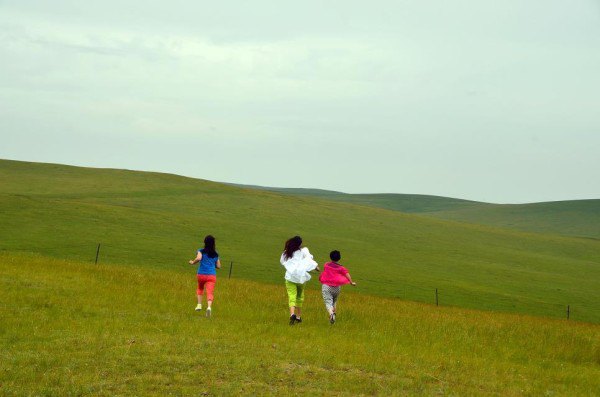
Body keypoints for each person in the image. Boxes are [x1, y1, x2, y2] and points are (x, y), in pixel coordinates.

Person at [280, 236, 320, 325]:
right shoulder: (303, 251)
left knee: (292, 296)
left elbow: (282, 262)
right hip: (301, 279)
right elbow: (310, 260)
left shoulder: (286, 253)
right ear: (299, 244)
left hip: (290, 278)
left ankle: (292, 314)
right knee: (299, 297)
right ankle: (298, 317)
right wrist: (316, 267)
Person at [319, 250, 356, 324]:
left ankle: (331, 314)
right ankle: (333, 318)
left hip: (326, 286)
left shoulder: (326, 265)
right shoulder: (341, 268)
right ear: (339, 258)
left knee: (328, 302)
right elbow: (347, 274)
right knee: (334, 301)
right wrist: (351, 282)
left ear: (330, 256)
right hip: (337, 288)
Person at [189, 235, 221, 317]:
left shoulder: (201, 251)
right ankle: (209, 307)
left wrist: (193, 262)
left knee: (200, 288)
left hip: (201, 274)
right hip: (211, 275)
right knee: (210, 292)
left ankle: (199, 305)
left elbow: (199, 258)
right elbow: (218, 266)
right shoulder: (216, 253)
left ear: (205, 242)